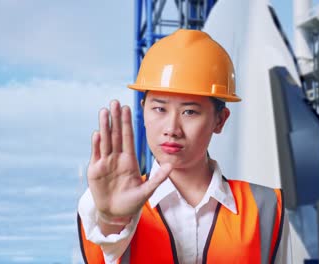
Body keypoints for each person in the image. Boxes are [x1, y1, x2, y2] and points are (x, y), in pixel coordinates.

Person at [77, 29, 292, 264]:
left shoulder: (266, 207)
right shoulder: (107, 202)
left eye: (190, 112)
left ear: (220, 120)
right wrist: (113, 219)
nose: (172, 128)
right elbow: (106, 239)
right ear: (143, 110)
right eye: (159, 109)